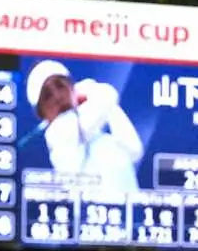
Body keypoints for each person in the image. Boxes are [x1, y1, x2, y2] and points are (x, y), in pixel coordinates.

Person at [25, 59, 144, 194]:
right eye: (47, 96)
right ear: (42, 113)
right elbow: (108, 95)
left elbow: (135, 150)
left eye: (60, 86)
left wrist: (112, 109)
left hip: (131, 213)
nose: (57, 97)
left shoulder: (102, 137)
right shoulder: (57, 135)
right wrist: (90, 89)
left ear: (71, 87)